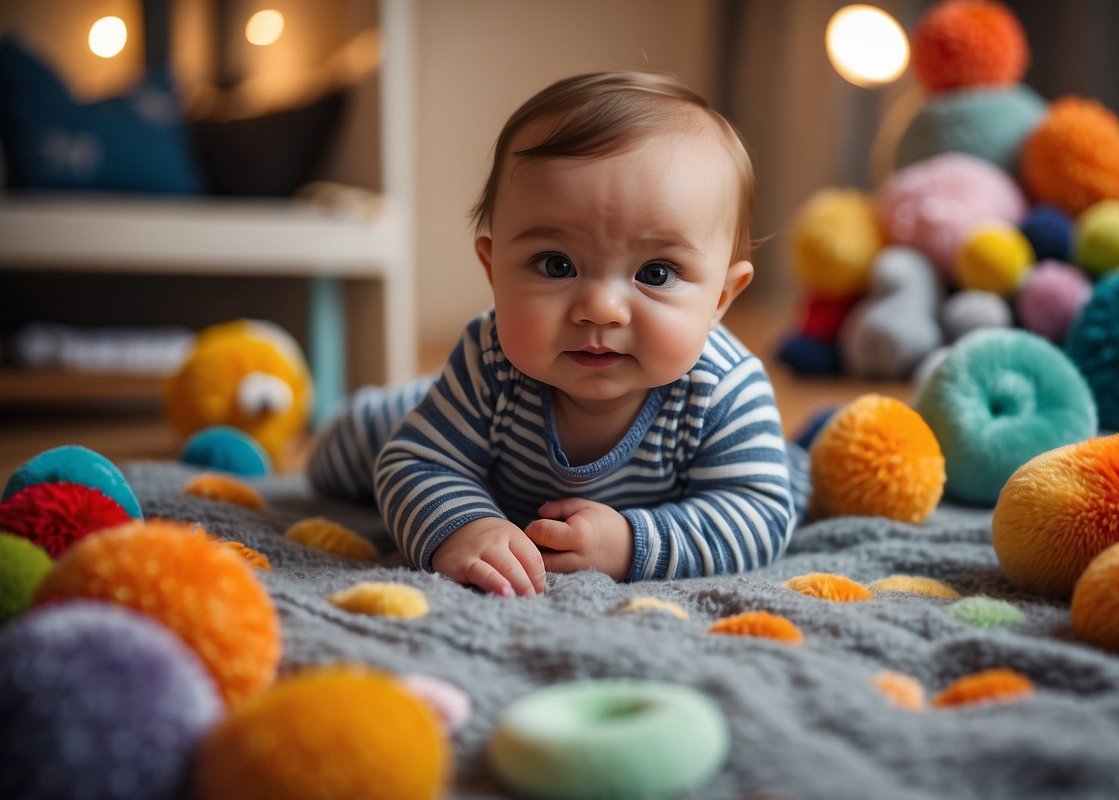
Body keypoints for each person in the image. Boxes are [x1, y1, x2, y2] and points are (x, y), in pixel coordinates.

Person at [307, 70, 809, 597]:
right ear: (493, 269)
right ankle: (364, 417)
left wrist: (632, 543)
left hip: (657, 484)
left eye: (655, 273)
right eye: (556, 264)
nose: (600, 309)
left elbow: (757, 516)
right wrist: (464, 526)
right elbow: (415, 461)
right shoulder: (489, 356)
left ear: (721, 300)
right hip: (456, 423)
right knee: (355, 450)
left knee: (790, 474)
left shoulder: (724, 387)